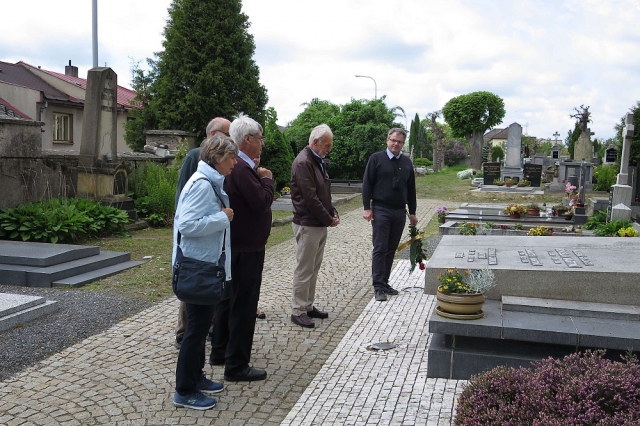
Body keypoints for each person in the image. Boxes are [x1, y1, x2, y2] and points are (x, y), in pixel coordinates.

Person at [172, 135, 238, 410]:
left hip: (205, 266)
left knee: (199, 330)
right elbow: (186, 224)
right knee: (196, 331)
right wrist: (222, 218)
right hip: (198, 268)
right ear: (218, 158)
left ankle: (195, 377)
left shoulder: (209, 182)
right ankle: (185, 390)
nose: (235, 162)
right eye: (232, 157)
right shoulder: (202, 184)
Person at [210, 113, 273, 381]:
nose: (262, 143)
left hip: (235, 245)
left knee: (228, 300)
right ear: (247, 139)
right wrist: (267, 179)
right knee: (244, 305)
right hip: (246, 248)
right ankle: (237, 365)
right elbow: (261, 203)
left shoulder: (237, 166)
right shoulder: (242, 169)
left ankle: (220, 351)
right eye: (260, 138)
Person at [174, 117, 231, 349]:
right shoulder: (196, 164)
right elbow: (186, 214)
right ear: (215, 135)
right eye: (228, 134)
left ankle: (205, 331)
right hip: (195, 254)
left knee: (204, 302)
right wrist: (221, 217)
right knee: (194, 299)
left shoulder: (215, 173)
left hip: (208, 248)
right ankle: (183, 333)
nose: (232, 138)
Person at [289, 124, 339, 328]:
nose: (329, 149)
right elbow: (310, 198)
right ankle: (298, 310)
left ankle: (308, 305)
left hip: (317, 223)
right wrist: (328, 219)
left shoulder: (316, 160)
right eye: (327, 145)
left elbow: (323, 192)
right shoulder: (304, 162)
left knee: (313, 267)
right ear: (315, 142)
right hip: (308, 223)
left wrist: (332, 211)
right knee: (304, 268)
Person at [362, 128, 417, 302]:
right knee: (380, 247)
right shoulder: (376, 159)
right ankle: (378, 286)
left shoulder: (407, 163)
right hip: (381, 209)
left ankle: (385, 282)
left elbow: (411, 189)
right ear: (387, 140)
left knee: (391, 248)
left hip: (399, 211)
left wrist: (413, 212)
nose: (395, 144)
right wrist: (367, 207)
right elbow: (367, 183)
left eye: (399, 142)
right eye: (393, 140)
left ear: (403, 143)